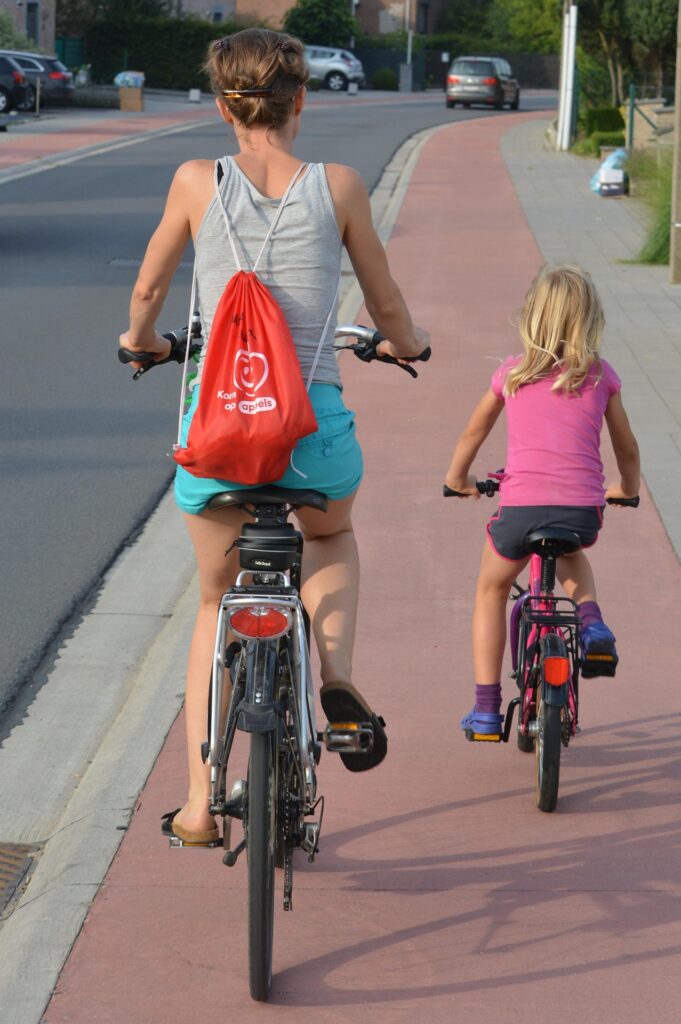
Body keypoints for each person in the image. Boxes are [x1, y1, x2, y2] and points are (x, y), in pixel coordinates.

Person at [119, 28, 429, 844]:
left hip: (218, 428)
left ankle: (195, 799)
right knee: (333, 532)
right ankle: (334, 673)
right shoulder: (341, 186)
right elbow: (386, 305)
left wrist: (142, 341)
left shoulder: (195, 180)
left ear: (223, 106)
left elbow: (151, 284)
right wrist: (405, 342)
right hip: (308, 428)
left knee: (215, 599)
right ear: (301, 100)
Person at [444, 265, 640, 737]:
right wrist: (627, 490)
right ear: (589, 321)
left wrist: (457, 479)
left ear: (531, 316)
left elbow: (475, 431)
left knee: (491, 590)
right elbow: (626, 446)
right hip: (581, 510)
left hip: (519, 511)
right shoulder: (600, 376)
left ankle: (488, 710)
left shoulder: (511, 374)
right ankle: (592, 624)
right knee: (572, 551)